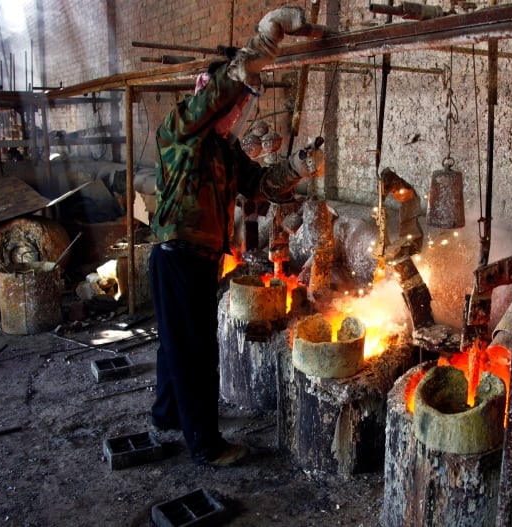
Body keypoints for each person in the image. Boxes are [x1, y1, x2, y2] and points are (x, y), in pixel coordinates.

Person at [148, 6, 325, 467]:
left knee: (177, 342)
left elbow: (260, 186)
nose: (239, 112)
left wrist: (298, 167)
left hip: (198, 259)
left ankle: (168, 413)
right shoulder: (182, 130)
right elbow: (217, 93)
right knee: (194, 348)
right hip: (178, 254)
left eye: (244, 106)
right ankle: (205, 444)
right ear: (213, 98)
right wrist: (265, 41)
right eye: (236, 102)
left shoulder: (225, 153)